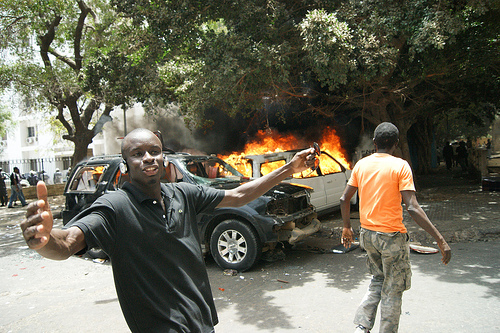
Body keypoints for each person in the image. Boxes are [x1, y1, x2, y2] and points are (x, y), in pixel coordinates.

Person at [20, 128, 318, 333]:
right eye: (138, 154)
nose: (148, 157)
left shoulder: (183, 194)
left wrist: (287, 170)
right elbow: (68, 242)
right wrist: (43, 240)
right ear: (125, 167)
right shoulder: (114, 207)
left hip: (202, 322)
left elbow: (240, 195)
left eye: (154, 151)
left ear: (163, 159)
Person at [339, 122, 451, 333]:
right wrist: (440, 239)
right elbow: (412, 208)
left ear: (374, 143)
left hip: (368, 235)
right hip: (391, 238)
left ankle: (361, 327)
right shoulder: (400, 166)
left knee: (377, 279)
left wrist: (347, 227)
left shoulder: (361, 165)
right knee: (393, 289)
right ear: (396, 144)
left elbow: (344, 198)